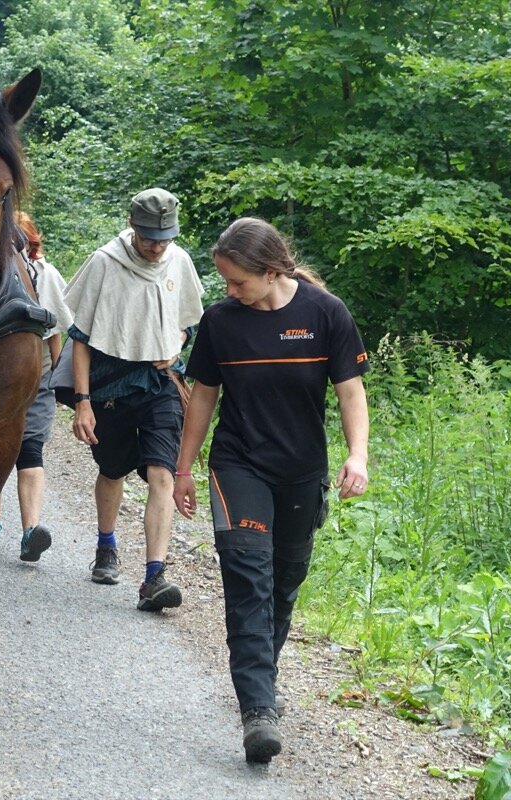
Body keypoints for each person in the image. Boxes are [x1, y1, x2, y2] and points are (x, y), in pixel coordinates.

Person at [172, 217, 370, 764]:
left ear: (272, 270)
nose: (229, 292)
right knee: (247, 575)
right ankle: (257, 709)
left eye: (238, 282)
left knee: (284, 583)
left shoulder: (325, 314)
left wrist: (358, 454)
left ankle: (264, 679)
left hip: (303, 472)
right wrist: (184, 468)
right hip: (239, 465)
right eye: (226, 283)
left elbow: (351, 394)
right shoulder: (221, 322)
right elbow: (204, 399)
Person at [65, 187, 205, 609]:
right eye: (149, 238)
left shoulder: (178, 260)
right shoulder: (105, 262)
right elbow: (81, 339)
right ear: (132, 226)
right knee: (113, 469)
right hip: (110, 387)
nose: (157, 246)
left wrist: (177, 343)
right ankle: (106, 546)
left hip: (161, 383)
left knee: (163, 473)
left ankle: (154, 576)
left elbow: (187, 323)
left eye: (164, 237)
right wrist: (83, 401)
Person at [0, 212, 74, 562]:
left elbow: (55, 331)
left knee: (30, 450)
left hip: (35, 376)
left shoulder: (46, 275)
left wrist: (56, 377)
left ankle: (29, 530)